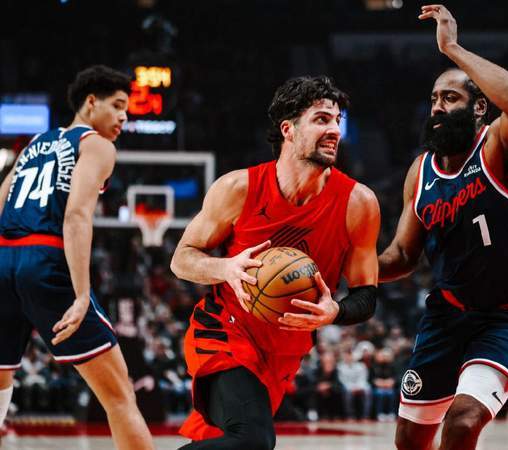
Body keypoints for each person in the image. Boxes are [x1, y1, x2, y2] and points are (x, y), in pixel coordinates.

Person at [171, 75, 380, 449]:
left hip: (284, 353)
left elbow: (366, 296)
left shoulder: (358, 203)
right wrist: (226, 268)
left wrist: (336, 311)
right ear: (288, 129)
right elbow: (181, 259)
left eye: (337, 121)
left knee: (242, 443)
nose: (334, 130)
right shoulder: (238, 188)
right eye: (321, 119)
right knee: (253, 440)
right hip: (225, 330)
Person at [378, 5, 508, 449]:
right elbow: (402, 255)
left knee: (461, 423)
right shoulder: (421, 172)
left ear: (479, 106)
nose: (438, 107)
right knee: (409, 440)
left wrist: (452, 48)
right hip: (448, 313)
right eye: (434, 99)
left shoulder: (499, 148)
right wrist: (345, 264)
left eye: (450, 98)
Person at [0, 65, 154, 450]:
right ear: (91, 102)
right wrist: (82, 294)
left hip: (4, 259)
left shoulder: (33, 145)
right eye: (117, 105)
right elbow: (76, 215)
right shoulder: (96, 145)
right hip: (45, 260)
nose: (123, 117)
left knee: (1, 381)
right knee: (119, 396)